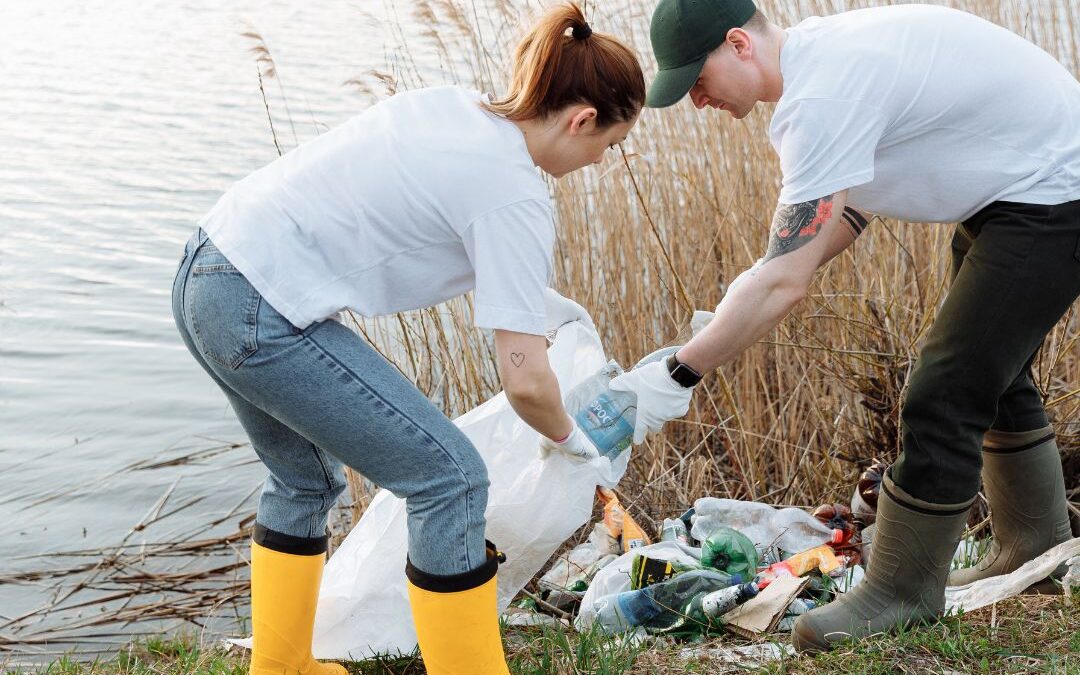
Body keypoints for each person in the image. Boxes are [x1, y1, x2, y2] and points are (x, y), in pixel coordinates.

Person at [171, 5, 650, 673]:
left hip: (208, 270)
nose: (601, 160)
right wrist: (578, 446)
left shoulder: (456, 110)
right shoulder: (514, 194)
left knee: (303, 480)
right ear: (581, 120)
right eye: (611, 143)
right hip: (260, 306)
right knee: (450, 479)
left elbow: (470, 253)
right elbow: (525, 380)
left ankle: (282, 666)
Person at [612, 0, 1080, 653]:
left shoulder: (819, 97)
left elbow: (786, 279)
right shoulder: (826, 61)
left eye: (698, 79)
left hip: (1054, 190)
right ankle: (1035, 549)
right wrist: (743, 295)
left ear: (738, 44)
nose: (697, 100)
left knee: (944, 389)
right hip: (1017, 188)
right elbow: (835, 222)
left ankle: (901, 591)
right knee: (989, 370)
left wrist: (678, 371)